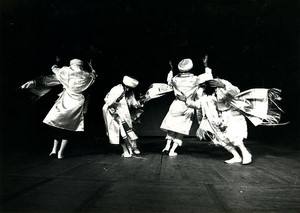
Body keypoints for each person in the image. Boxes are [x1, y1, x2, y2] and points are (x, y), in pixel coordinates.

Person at [182, 78, 283, 165]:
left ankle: (246, 153)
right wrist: (185, 100)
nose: (202, 86)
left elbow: (236, 91)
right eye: (201, 85)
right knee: (221, 139)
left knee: (234, 136)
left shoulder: (221, 83)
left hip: (232, 114)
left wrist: (223, 85)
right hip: (216, 118)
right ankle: (236, 156)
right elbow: (197, 104)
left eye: (204, 84)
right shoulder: (203, 94)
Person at [20, 59, 97, 159]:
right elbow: (94, 76)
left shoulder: (67, 73)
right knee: (69, 127)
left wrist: (55, 64)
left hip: (66, 100)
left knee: (57, 125)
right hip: (77, 102)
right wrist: (92, 67)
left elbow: (55, 71)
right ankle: (60, 152)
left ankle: (54, 150)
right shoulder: (86, 76)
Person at [160, 58, 213, 157]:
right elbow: (208, 76)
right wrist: (206, 65)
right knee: (181, 129)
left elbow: (169, 81)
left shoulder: (175, 79)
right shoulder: (194, 79)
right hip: (187, 105)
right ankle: (172, 150)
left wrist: (171, 70)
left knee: (172, 127)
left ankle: (167, 147)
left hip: (176, 104)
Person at [102, 76, 143, 157]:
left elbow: (134, 104)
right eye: (127, 87)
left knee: (129, 131)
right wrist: (113, 108)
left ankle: (134, 147)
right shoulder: (116, 89)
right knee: (121, 132)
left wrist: (142, 101)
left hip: (125, 114)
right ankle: (126, 150)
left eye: (130, 88)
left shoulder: (130, 93)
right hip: (113, 113)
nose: (128, 89)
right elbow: (107, 100)